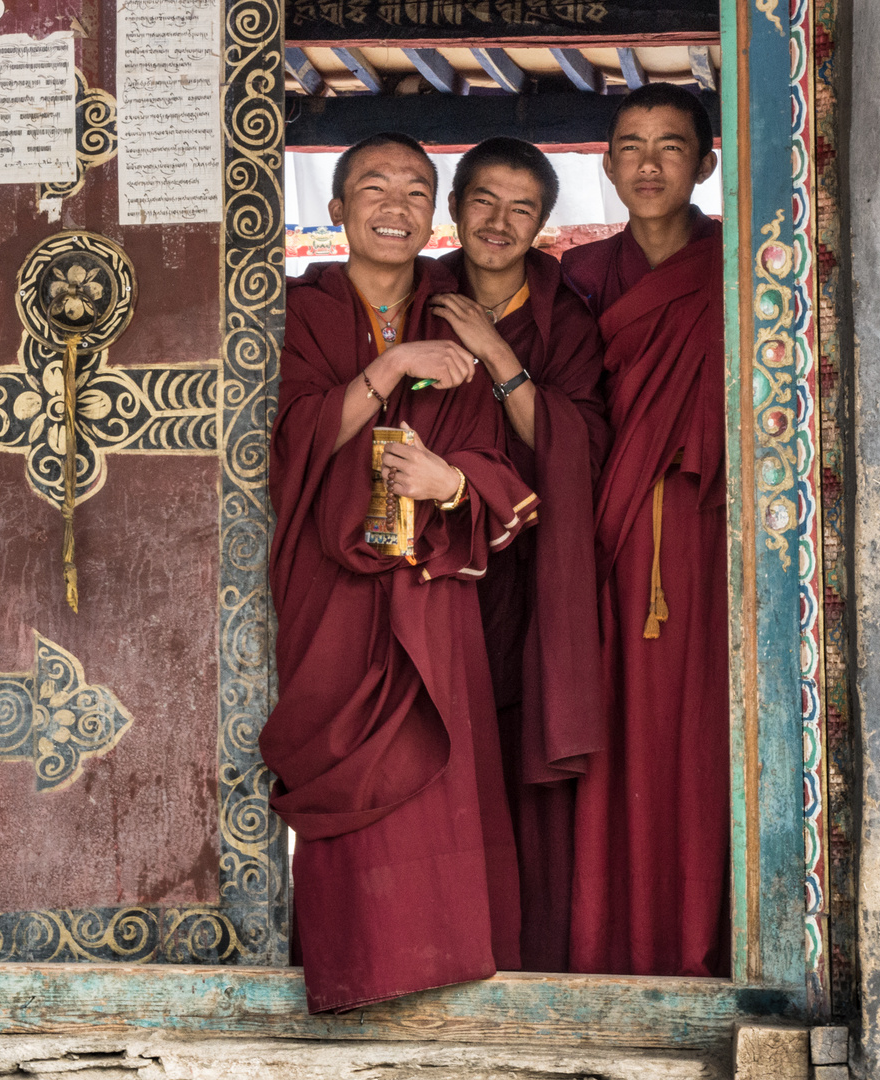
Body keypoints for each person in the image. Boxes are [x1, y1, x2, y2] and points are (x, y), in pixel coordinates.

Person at [262, 132, 541, 1012]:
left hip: (429, 582)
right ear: (336, 209)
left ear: (436, 214)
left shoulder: (459, 316)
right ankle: (353, 965)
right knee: (346, 765)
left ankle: (449, 965)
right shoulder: (296, 312)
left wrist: (452, 481)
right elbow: (287, 442)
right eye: (373, 188)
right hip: (331, 586)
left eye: (416, 190)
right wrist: (391, 366)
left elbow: (499, 457)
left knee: (439, 771)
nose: (395, 205)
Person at [560, 83, 730, 977]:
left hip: (710, 548)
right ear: (608, 164)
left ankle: (710, 938)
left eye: (672, 145)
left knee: (700, 743)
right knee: (613, 739)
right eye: (631, 145)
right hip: (608, 545)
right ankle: (609, 946)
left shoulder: (741, 269)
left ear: (706, 161)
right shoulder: (581, 280)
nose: (650, 163)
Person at [430, 137, 609, 972]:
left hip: (530, 568)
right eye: (484, 201)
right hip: (429, 563)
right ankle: (438, 939)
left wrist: (498, 355)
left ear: (543, 222)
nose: (498, 223)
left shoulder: (562, 317)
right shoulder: (416, 295)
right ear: (456, 205)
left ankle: (522, 951)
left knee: (512, 743)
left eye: (521, 208)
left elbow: (573, 445)